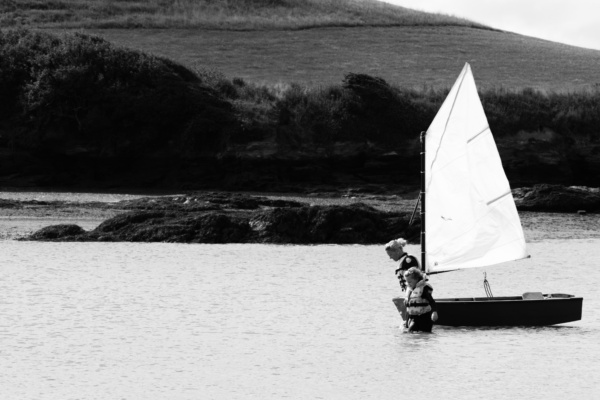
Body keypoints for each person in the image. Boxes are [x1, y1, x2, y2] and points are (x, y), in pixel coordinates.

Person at [403, 267, 438, 333]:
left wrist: (434, 312)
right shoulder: (409, 290)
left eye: (410, 282)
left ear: (416, 279)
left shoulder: (424, 289)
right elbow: (408, 308)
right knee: (411, 334)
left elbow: (431, 301)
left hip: (425, 318)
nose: (408, 283)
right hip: (413, 318)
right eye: (407, 282)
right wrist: (406, 322)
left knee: (423, 335)